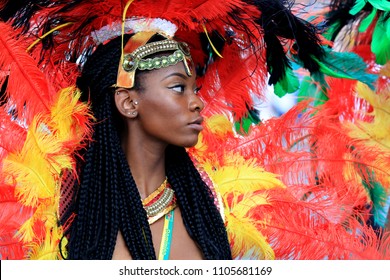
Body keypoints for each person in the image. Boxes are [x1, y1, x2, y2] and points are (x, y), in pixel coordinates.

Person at [0, 0, 389, 260]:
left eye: (195, 89)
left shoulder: (214, 209)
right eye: (177, 88)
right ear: (128, 102)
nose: (197, 102)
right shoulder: (56, 211)